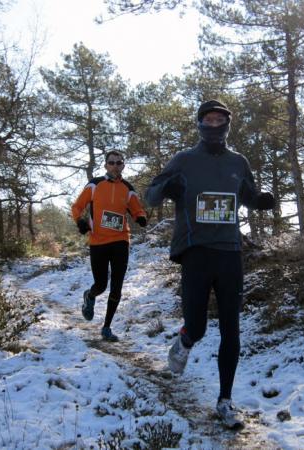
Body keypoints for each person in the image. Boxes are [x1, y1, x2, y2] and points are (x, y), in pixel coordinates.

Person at [145, 100, 275, 429]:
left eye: (220, 120)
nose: (215, 125)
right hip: (196, 250)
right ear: (201, 124)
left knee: (231, 327)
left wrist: (260, 201)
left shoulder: (238, 161)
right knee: (199, 326)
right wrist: (167, 188)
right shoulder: (184, 160)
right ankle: (185, 340)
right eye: (209, 119)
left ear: (227, 125)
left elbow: (247, 194)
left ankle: (225, 401)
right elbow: (151, 195)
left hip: (230, 250)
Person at [71, 150, 147, 342]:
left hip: (121, 240)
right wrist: (80, 221)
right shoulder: (95, 185)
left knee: (117, 286)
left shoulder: (128, 188)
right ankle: (90, 295)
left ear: (123, 166)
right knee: (101, 285)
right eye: (111, 162)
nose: (115, 166)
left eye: (118, 162)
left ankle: (106, 327)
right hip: (98, 242)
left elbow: (137, 208)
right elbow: (77, 207)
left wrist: (140, 217)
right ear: (105, 165)